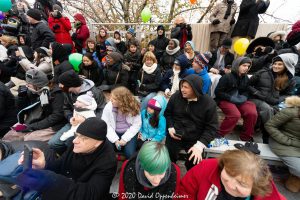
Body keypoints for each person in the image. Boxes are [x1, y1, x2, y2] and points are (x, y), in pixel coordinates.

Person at [16, 118, 118, 200]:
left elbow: (91, 194)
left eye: (84, 138)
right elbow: (61, 164)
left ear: (97, 143)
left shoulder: (108, 161)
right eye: (77, 135)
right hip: (65, 189)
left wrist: (53, 180)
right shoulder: (75, 145)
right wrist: (44, 165)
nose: (75, 141)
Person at [179, 149, 285, 200]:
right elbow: (183, 192)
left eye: (241, 183)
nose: (230, 185)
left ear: (256, 188)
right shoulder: (206, 167)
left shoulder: (271, 197)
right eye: (228, 174)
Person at [165, 74, 218, 170]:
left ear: (195, 89)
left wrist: (200, 145)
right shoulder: (176, 96)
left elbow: (212, 128)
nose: (182, 89)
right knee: (167, 160)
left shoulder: (209, 103)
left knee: (195, 163)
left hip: (195, 138)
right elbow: (168, 113)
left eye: (186, 87)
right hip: (175, 134)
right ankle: (171, 174)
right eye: (182, 86)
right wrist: (170, 127)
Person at [48, 70, 106, 151]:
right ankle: (67, 155)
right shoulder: (67, 92)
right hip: (73, 123)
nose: (60, 86)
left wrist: (86, 120)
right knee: (53, 144)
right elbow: (66, 107)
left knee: (70, 143)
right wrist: (70, 118)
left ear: (70, 85)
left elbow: (102, 110)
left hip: (90, 126)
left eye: (62, 84)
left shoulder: (95, 92)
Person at [3, 69, 66, 142]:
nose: (27, 86)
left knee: (29, 138)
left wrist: (31, 127)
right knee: (10, 135)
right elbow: (21, 108)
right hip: (35, 121)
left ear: (37, 85)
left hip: (53, 125)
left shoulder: (56, 94)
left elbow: (56, 116)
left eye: (29, 85)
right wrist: (21, 97)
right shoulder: (33, 92)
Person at [248, 53, 298, 143]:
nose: (276, 66)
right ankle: (267, 137)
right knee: (267, 109)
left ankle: (284, 136)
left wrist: (278, 99)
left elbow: (288, 94)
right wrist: (256, 92)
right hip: (256, 99)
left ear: (286, 66)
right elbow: (248, 85)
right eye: (275, 63)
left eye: (280, 64)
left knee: (279, 111)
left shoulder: (290, 79)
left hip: (274, 102)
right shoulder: (263, 72)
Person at [215, 57, 257, 141]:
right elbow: (218, 92)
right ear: (237, 65)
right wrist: (231, 98)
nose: (246, 68)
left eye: (248, 66)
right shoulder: (227, 77)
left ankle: (245, 137)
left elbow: (246, 91)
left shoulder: (246, 78)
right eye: (244, 65)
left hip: (240, 100)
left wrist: (243, 97)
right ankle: (219, 135)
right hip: (225, 100)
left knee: (252, 113)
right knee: (235, 115)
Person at [265, 96, 300, 193]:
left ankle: (293, 181)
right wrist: (286, 140)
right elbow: (270, 125)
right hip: (283, 145)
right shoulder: (291, 112)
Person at [101, 86, 141, 159]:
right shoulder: (109, 107)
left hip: (128, 132)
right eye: (111, 97)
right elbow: (106, 124)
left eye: (114, 99)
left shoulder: (133, 107)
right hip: (114, 131)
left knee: (129, 154)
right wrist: (115, 139)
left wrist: (125, 139)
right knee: (107, 151)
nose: (111, 100)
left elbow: (136, 125)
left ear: (122, 101)